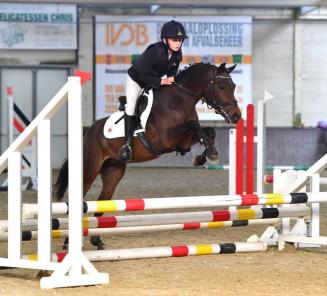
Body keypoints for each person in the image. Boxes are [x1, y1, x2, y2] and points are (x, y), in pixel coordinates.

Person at [118, 20, 188, 162]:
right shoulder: (154, 51)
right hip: (136, 79)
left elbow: (171, 75)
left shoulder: (177, 54)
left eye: (180, 40)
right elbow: (143, 75)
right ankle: (126, 145)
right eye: (175, 40)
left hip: (153, 81)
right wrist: (161, 82)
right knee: (131, 107)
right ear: (165, 40)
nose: (178, 43)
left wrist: (173, 84)